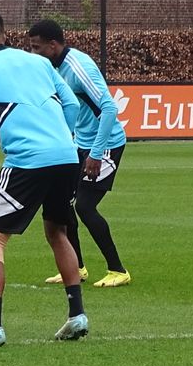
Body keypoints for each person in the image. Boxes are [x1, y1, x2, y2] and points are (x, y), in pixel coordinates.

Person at [0, 10, 88, 346]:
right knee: (58, 231)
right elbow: (71, 104)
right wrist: (63, 139)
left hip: (27, 161)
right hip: (66, 156)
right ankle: (77, 315)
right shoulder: (39, 63)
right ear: (4, 34)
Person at [26, 19, 132, 289]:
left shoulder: (78, 66)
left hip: (105, 144)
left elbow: (109, 109)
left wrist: (95, 154)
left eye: (37, 48)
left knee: (85, 206)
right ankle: (76, 267)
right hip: (80, 145)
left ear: (53, 45)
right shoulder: (52, 68)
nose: (33, 53)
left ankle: (117, 270)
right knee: (62, 204)